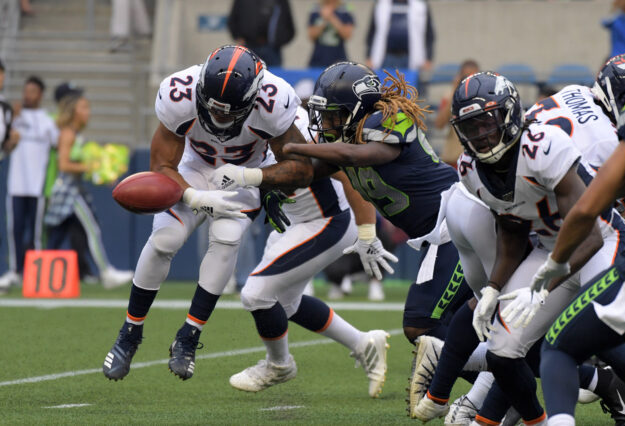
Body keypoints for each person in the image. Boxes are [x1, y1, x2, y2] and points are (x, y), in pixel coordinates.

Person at [413, 71, 625, 425]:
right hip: (549, 249)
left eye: (487, 122)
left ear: (511, 115)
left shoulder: (542, 145)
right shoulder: (470, 168)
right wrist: (493, 289)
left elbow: (588, 234)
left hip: (601, 240)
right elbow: (512, 231)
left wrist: (542, 287)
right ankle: (538, 421)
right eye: (470, 127)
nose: (481, 136)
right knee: (502, 351)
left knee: (604, 332)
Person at [259, 62, 474, 404]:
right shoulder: (348, 137)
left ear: (358, 108)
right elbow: (308, 172)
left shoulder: (387, 122)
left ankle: (479, 392)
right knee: (463, 328)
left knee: (421, 324)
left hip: (461, 225)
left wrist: (296, 147)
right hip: (442, 234)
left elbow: (356, 155)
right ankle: (494, 389)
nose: (326, 124)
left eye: (332, 115)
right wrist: (264, 181)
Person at [102, 45, 316, 382]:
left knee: (227, 237)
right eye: (212, 110)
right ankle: (130, 333)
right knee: (164, 240)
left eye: (230, 114)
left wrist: (261, 181)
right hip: (191, 168)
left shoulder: (274, 101)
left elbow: (301, 169)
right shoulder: (179, 93)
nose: (218, 120)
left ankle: (189, 336)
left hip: (243, 172)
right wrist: (193, 196)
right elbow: (161, 164)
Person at [228, 108, 390, 397]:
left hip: (326, 221)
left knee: (256, 294)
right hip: (291, 224)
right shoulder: (243, 129)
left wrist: (367, 232)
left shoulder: (298, 128)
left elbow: (350, 175)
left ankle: (279, 365)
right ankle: (363, 343)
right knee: (285, 303)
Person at [521, 54, 625, 426]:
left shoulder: (617, 116)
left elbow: (588, 209)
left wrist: (557, 261)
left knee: (558, 344)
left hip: (569, 229)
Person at [44, 93, 133, 289]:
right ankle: (106, 272)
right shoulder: (67, 133)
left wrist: (102, 172)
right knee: (92, 229)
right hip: (68, 192)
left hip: (75, 189)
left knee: (59, 236)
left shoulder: (76, 134)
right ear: (73, 111)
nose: (88, 112)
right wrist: (91, 166)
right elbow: (64, 165)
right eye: (83, 108)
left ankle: (40, 277)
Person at [0, 76, 58, 290]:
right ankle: (15, 271)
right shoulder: (12, 117)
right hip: (16, 185)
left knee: (35, 234)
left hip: (37, 186)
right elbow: (5, 145)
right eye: (26, 91)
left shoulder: (47, 120)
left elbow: (58, 144)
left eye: (32, 91)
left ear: (40, 95)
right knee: (15, 230)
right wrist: (11, 121)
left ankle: (36, 275)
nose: (27, 95)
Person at [433, 59, 479, 167]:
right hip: (454, 158)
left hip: (476, 160)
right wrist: (455, 91)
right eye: (465, 77)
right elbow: (439, 124)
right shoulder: (449, 96)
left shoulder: (482, 97)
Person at [366, 0, 435, 71]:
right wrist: (369, 56)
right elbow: (372, 33)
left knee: (408, 81)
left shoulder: (420, 6)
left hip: (410, 57)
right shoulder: (380, 5)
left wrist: (428, 58)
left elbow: (429, 35)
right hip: (386, 57)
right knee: (386, 81)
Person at [228, 0, 295, 68]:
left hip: (272, 49)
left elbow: (289, 24)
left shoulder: (280, 2)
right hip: (249, 46)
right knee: (248, 73)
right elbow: (232, 20)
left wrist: (279, 41)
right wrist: (237, 36)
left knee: (272, 75)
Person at [307, 0, 354, 68]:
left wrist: (332, 18)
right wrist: (323, 20)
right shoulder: (315, 9)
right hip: (317, 60)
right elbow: (311, 36)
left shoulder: (345, 9)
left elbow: (347, 35)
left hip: (339, 59)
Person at [0, 59, 19, 163]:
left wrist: (13, 142)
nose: (2, 77)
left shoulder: (5, 106)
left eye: (2, 73)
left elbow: (5, 148)